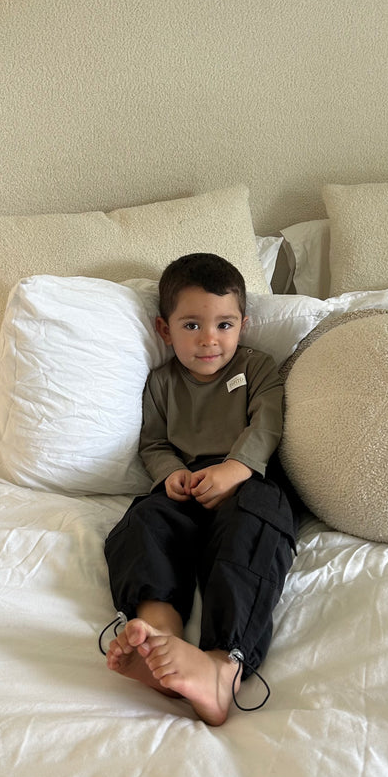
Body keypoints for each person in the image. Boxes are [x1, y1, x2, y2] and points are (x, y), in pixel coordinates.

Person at [102, 252, 299, 726]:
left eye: (224, 325)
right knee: (143, 522)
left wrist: (235, 468)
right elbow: (153, 443)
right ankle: (156, 631)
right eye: (191, 326)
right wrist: (170, 474)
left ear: (243, 325)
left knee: (253, 531)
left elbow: (268, 424)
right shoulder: (161, 383)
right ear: (164, 330)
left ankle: (222, 665)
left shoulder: (259, 368)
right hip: (185, 488)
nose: (210, 339)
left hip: (248, 483)